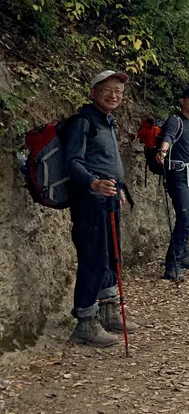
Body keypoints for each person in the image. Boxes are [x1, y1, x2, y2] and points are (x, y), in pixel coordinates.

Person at [63, 69, 137, 347]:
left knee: (110, 257)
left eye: (118, 91)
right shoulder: (83, 122)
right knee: (93, 259)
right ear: (93, 92)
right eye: (107, 89)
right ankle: (86, 321)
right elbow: (73, 162)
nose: (114, 95)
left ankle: (107, 312)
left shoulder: (108, 122)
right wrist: (94, 183)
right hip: (89, 201)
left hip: (108, 198)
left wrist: (113, 188)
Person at [154, 87, 189, 281]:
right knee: (184, 217)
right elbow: (169, 135)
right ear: (182, 101)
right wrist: (163, 151)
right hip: (177, 173)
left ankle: (182, 254)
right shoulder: (175, 120)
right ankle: (172, 263)